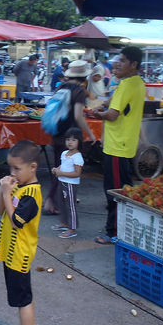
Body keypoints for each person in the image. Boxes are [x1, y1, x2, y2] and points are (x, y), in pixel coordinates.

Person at [92, 46, 145, 245]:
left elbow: (113, 115)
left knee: (114, 191)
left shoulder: (127, 85)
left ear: (133, 65)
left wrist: (98, 114)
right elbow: (113, 103)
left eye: (122, 61)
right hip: (126, 144)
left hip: (117, 146)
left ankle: (113, 232)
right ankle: (127, 228)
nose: (117, 63)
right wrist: (103, 105)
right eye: (118, 60)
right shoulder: (137, 83)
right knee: (125, 188)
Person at [0, 140, 42, 325]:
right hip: (11, 253)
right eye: (10, 168)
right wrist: (2, 190)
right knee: (20, 298)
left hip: (20, 254)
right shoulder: (19, 187)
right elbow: (1, 211)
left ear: (32, 167)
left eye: (17, 168)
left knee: (24, 300)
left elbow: (16, 221)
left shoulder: (31, 194)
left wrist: (7, 193)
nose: (12, 173)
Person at [43, 60, 96, 215]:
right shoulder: (79, 90)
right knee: (65, 169)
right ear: (84, 77)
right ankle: (50, 202)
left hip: (57, 133)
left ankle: (61, 199)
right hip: (71, 137)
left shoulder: (61, 87)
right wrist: (90, 133)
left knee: (60, 166)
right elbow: (78, 116)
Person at [50, 127, 84, 239]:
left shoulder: (77, 157)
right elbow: (62, 165)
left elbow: (77, 173)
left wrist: (61, 173)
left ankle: (72, 228)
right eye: (68, 139)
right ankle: (64, 223)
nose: (70, 142)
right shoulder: (65, 153)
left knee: (71, 206)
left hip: (70, 184)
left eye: (74, 140)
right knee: (61, 203)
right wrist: (57, 169)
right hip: (62, 181)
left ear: (79, 142)